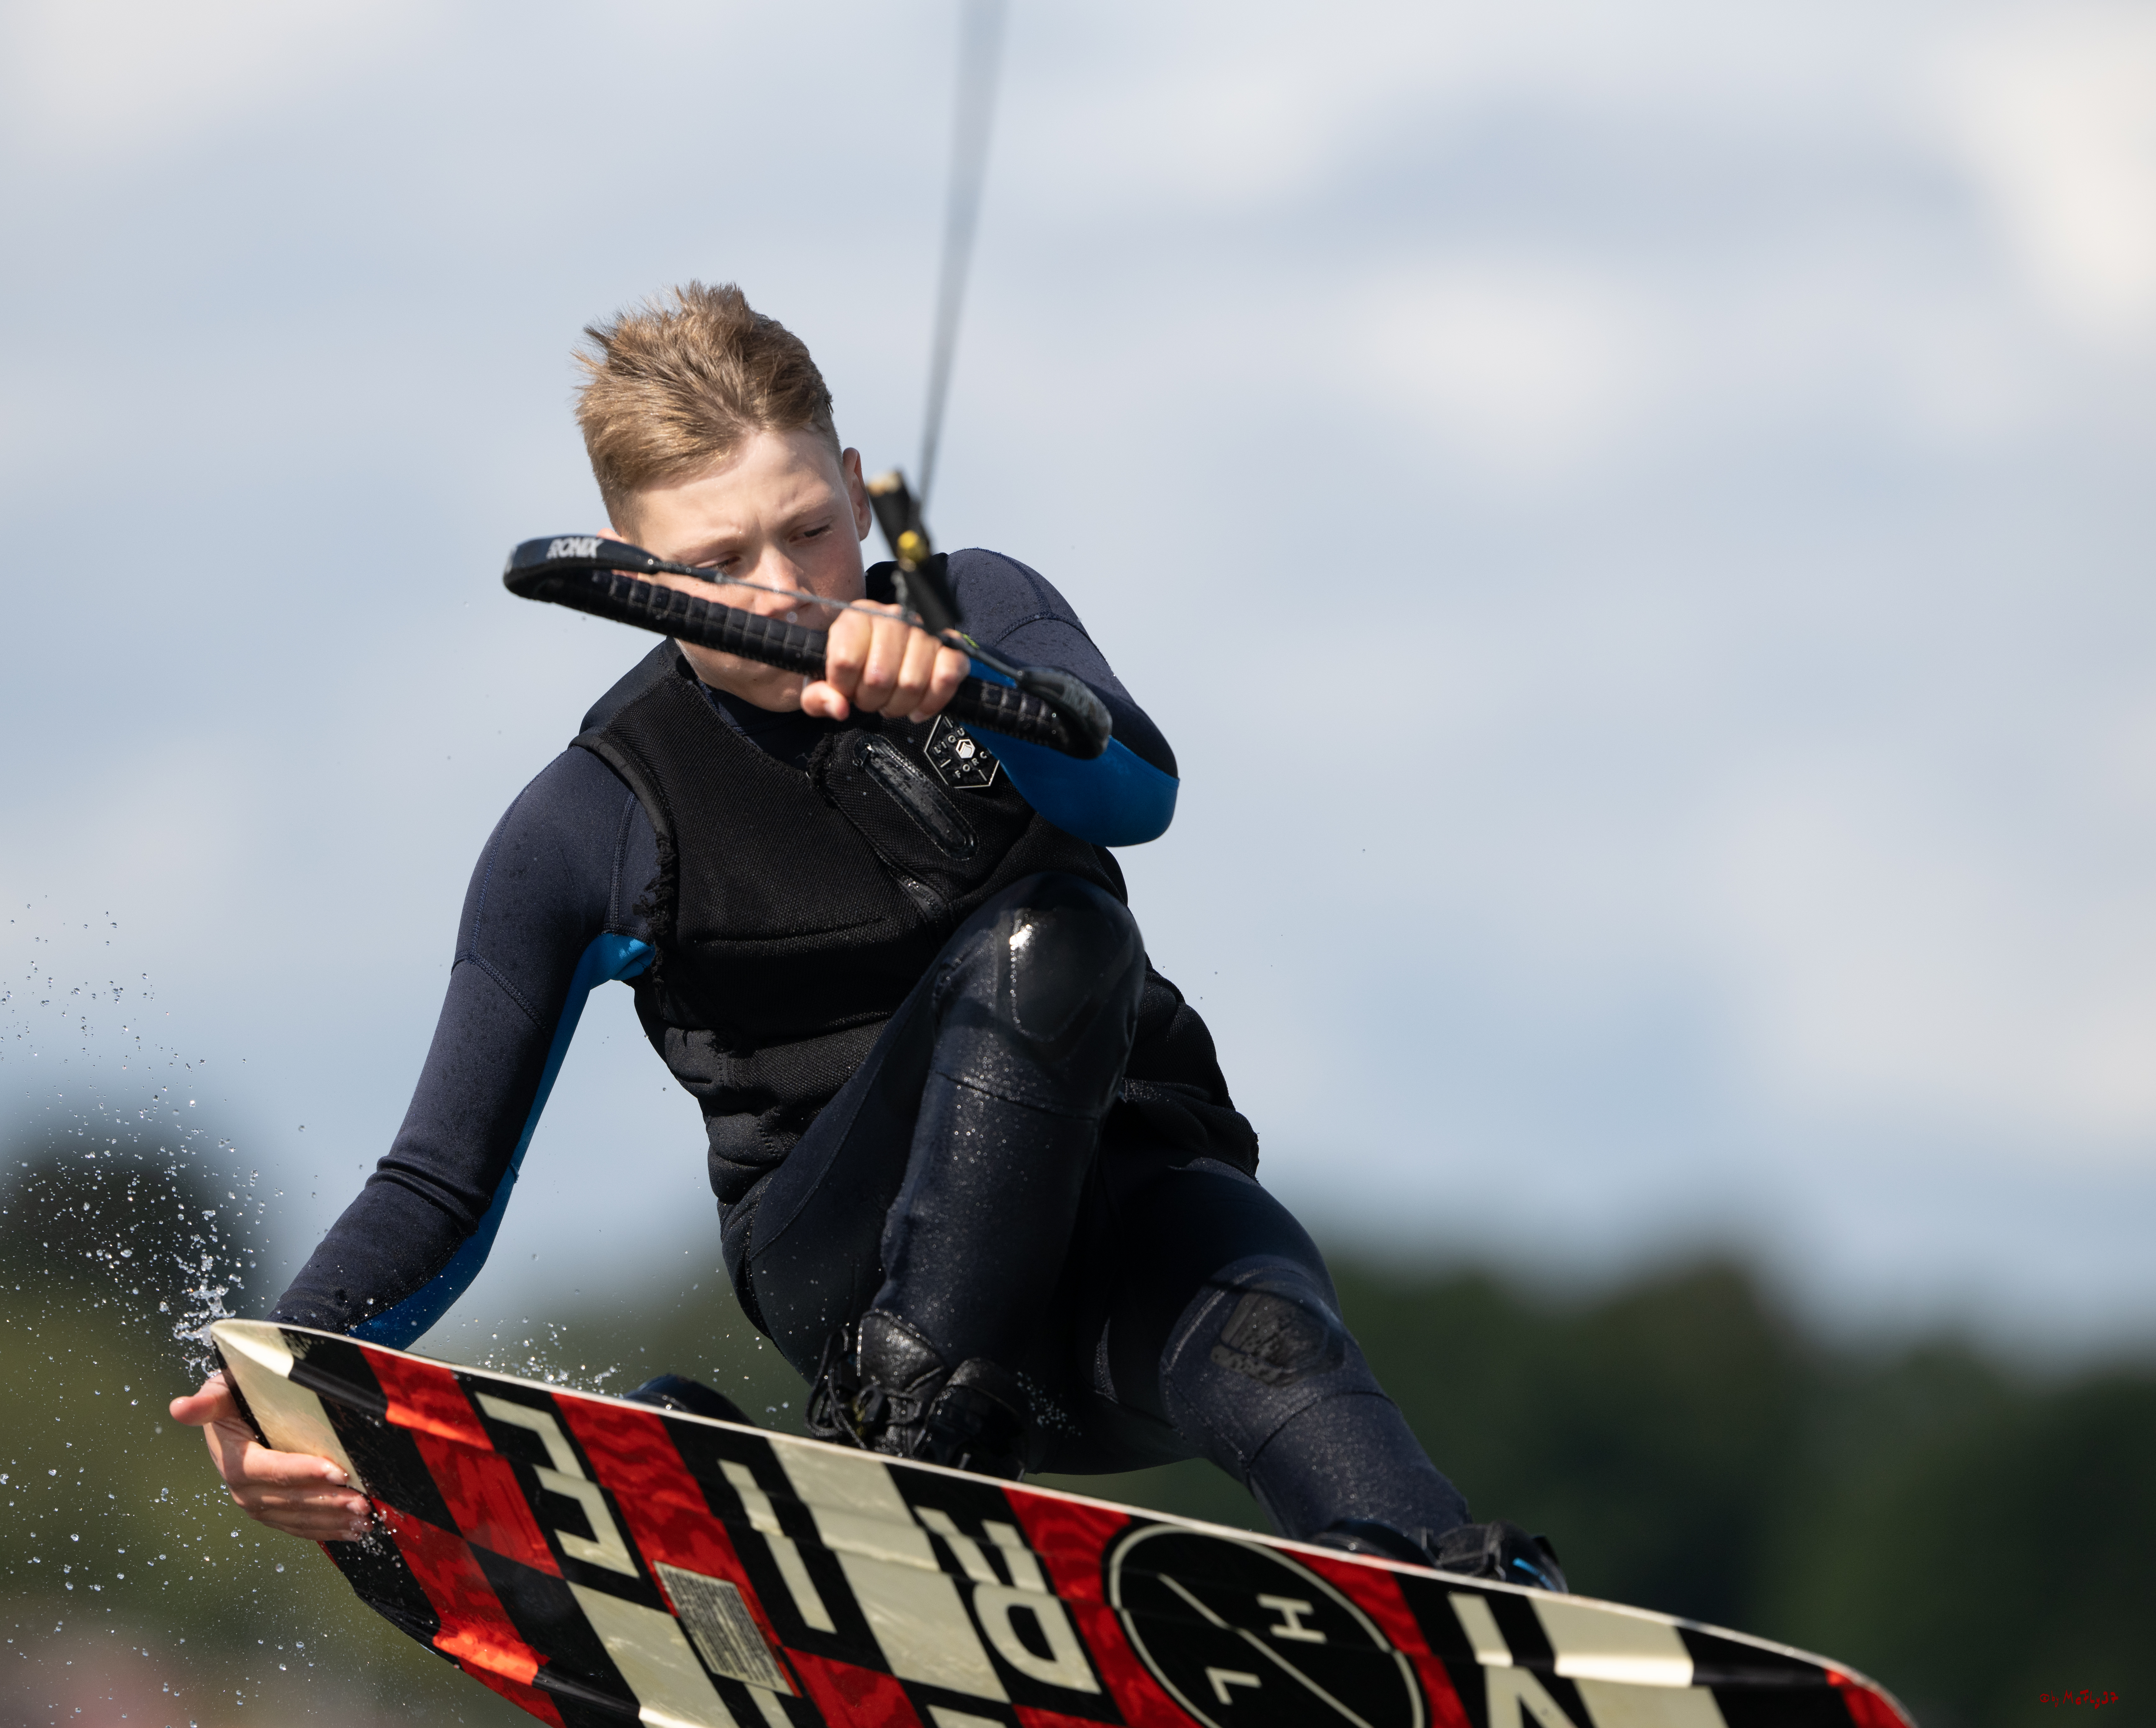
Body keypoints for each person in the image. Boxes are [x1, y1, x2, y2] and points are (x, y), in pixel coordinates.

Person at [171, 282, 1561, 1589]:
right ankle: (884, 1474)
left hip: (1117, 1232)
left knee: (1271, 1331)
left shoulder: (983, 607)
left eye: (813, 527)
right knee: (1047, 945)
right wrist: (276, 1386)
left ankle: (1453, 1604)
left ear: (854, 479)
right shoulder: (594, 818)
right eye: (717, 563)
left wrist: (976, 689)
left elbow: (1140, 792)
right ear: (632, 572)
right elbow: (437, 1185)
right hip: (855, 1284)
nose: (786, 587)